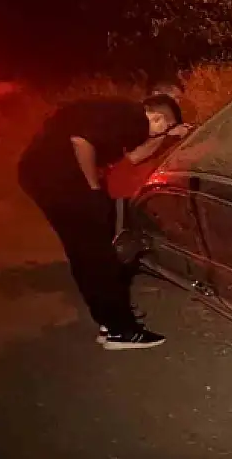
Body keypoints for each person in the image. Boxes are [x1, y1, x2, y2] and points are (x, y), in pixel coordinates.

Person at [18, 94, 192, 350]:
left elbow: (134, 157)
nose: (154, 134)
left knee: (86, 252)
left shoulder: (122, 116)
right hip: (58, 181)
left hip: (40, 177)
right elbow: (80, 141)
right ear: (157, 117)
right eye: (163, 126)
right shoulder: (128, 116)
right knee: (96, 255)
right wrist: (93, 190)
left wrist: (164, 136)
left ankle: (109, 321)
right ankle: (121, 331)